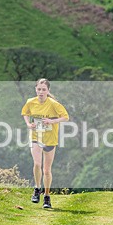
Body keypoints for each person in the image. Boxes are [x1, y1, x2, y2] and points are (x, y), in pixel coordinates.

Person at [21, 78, 69, 209]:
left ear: (48, 90)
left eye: (43, 89)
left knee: (46, 170)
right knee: (37, 163)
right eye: (39, 89)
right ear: (35, 89)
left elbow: (66, 117)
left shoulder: (53, 104)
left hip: (50, 139)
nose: (41, 92)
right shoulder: (31, 102)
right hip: (36, 136)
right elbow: (25, 113)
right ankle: (37, 189)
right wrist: (28, 124)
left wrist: (51, 121)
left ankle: (47, 196)